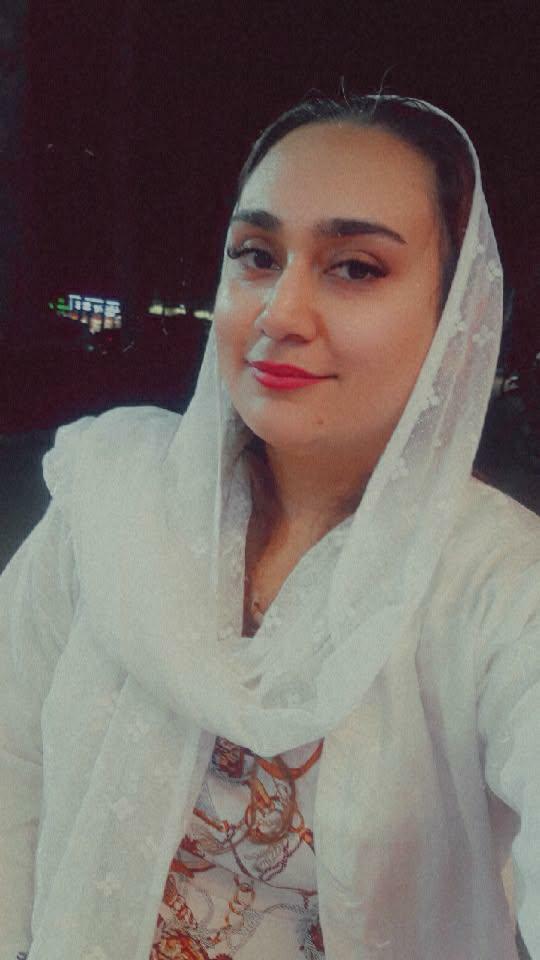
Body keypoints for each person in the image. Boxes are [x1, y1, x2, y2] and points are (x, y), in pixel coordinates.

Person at [0, 93, 538, 960]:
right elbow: (8, 767)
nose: (280, 313)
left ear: (457, 315)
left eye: (354, 267)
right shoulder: (113, 503)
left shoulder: (499, 586)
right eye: (256, 255)